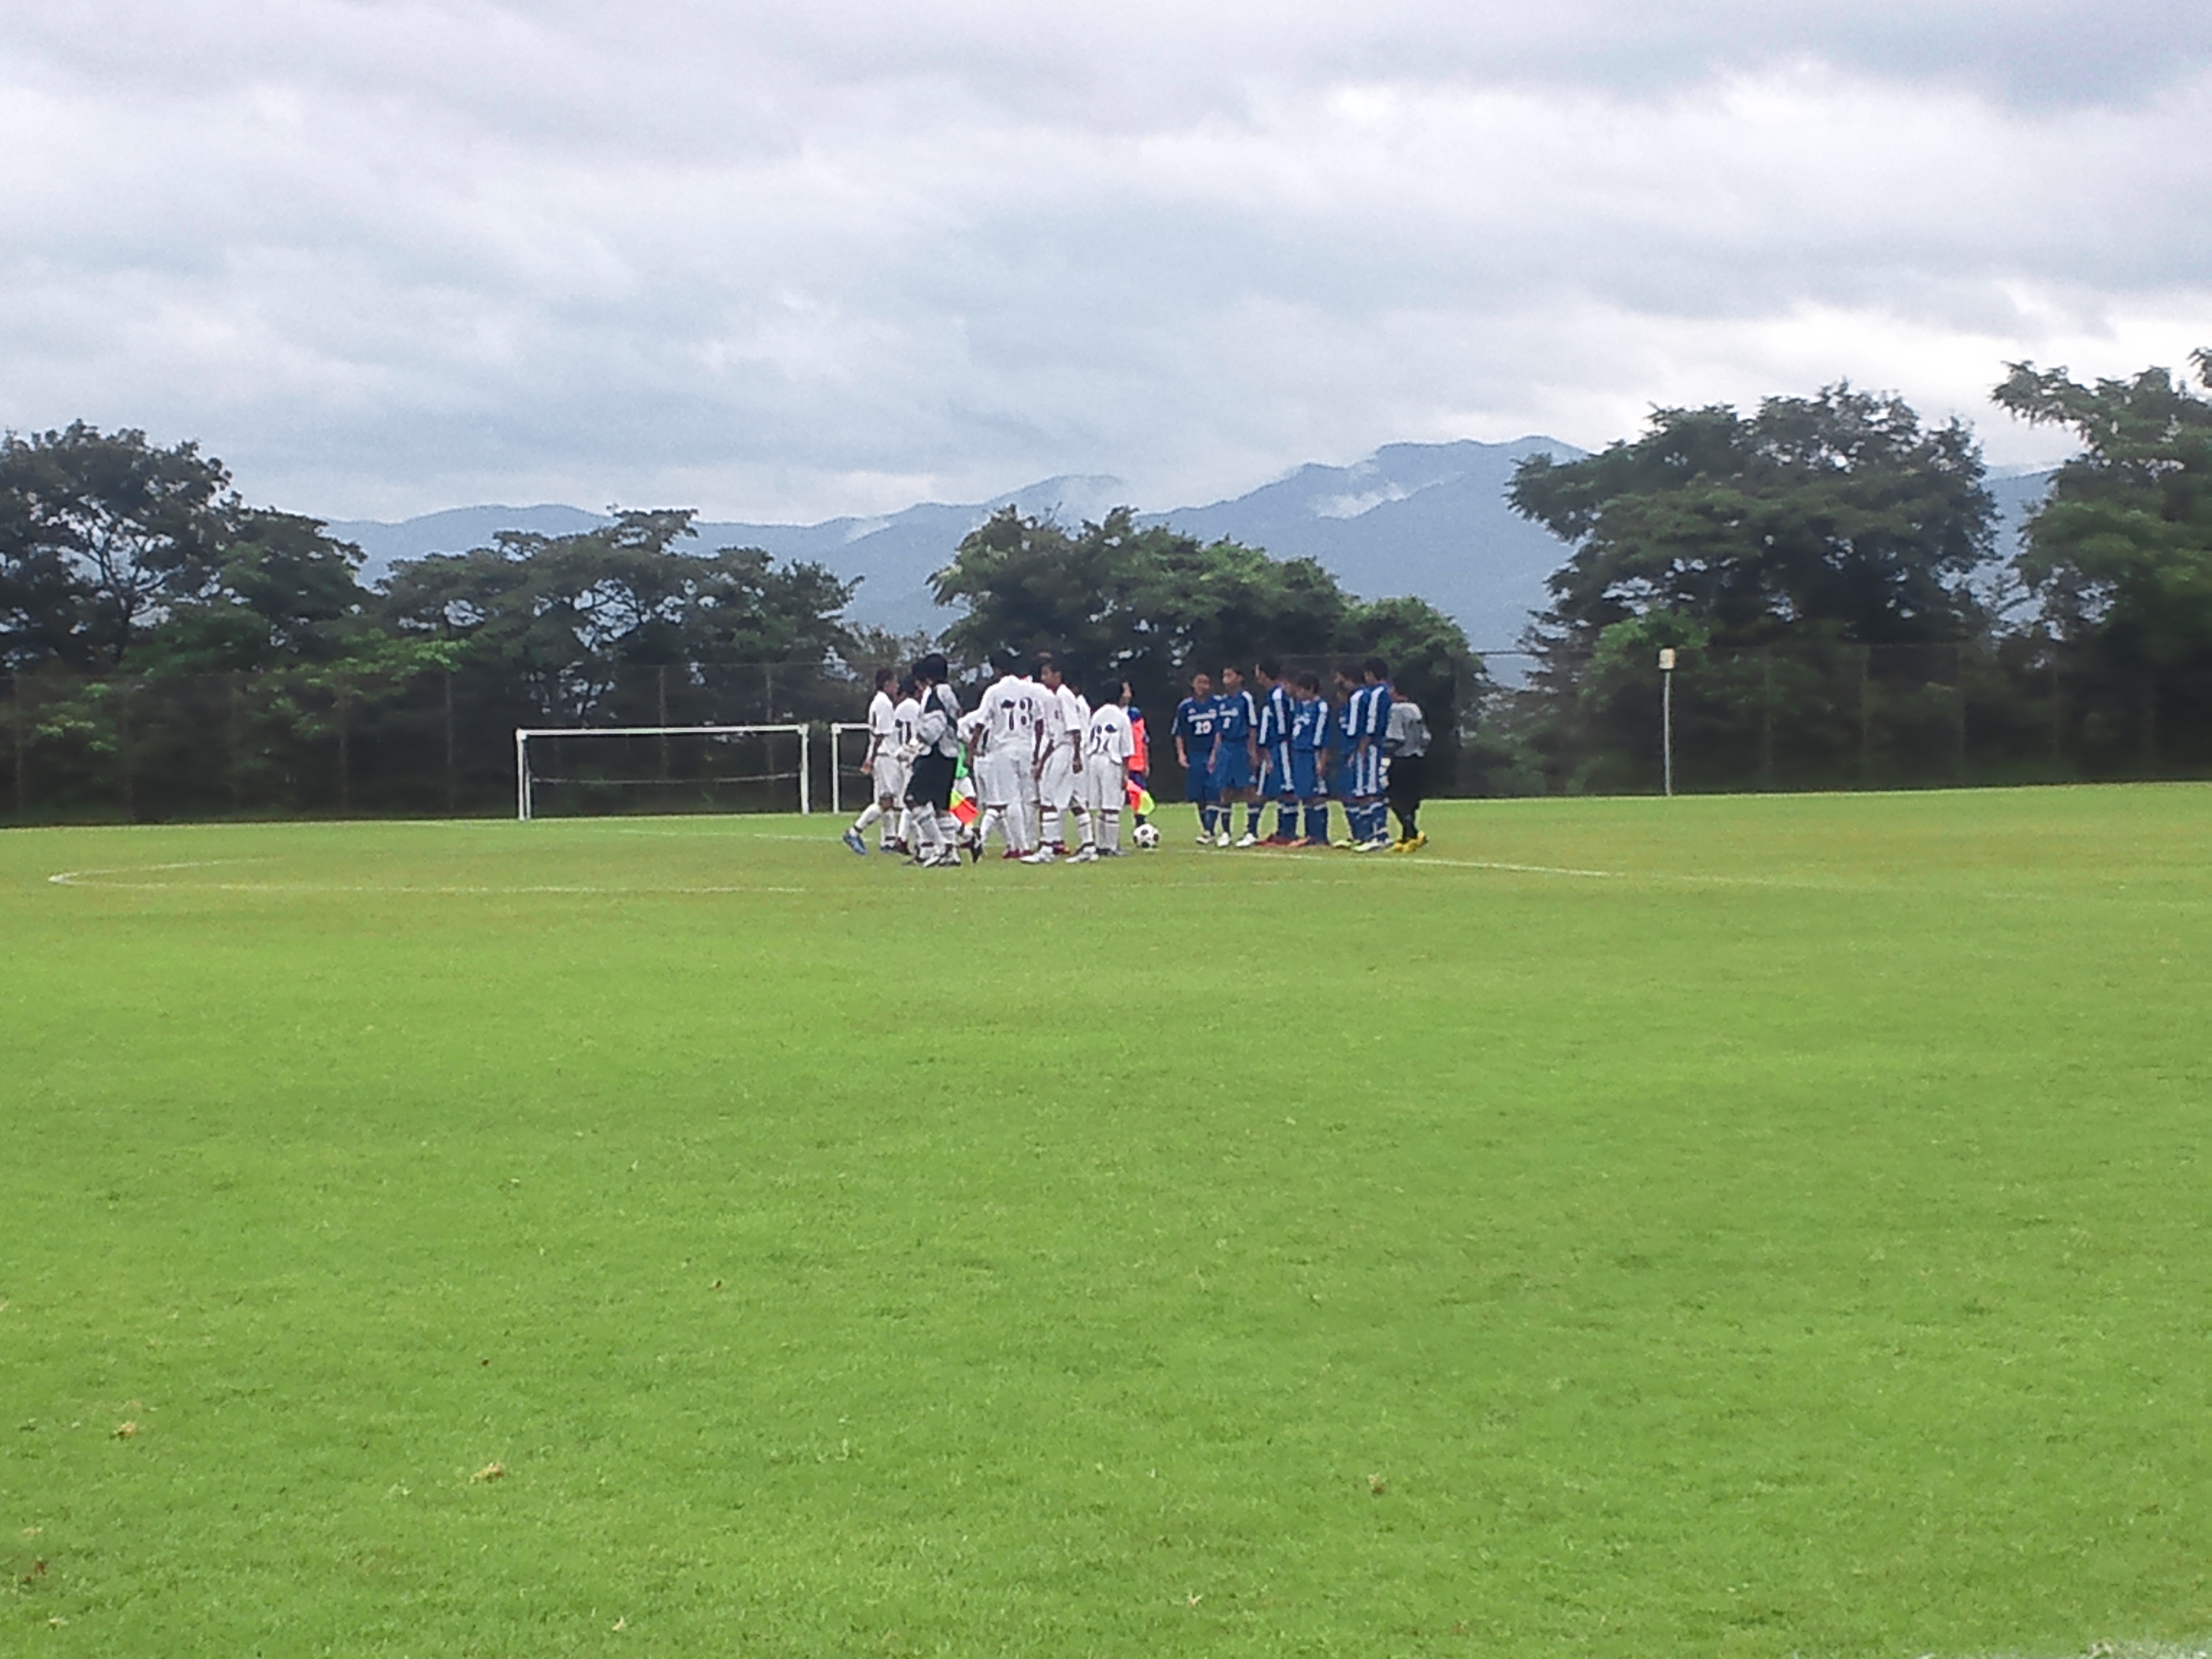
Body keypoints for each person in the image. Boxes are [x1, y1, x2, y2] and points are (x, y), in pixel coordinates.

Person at [901, 655, 966, 867]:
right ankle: (952, 853)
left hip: (936, 753)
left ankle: (940, 846)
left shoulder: (935, 694)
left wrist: (915, 744)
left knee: (912, 798)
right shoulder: (950, 693)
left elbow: (934, 725)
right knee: (941, 806)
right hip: (951, 754)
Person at [974, 662, 1043, 859]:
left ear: (997, 670)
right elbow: (1039, 723)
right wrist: (1037, 749)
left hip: (1003, 748)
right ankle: (1029, 841)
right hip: (1026, 745)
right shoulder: (1030, 690)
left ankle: (1020, 845)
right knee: (1029, 798)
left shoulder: (994, 691)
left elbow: (981, 723)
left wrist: (972, 750)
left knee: (1011, 799)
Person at [1026, 654, 1090, 864]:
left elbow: (1074, 729)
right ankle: (1088, 845)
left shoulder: (1064, 696)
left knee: (1050, 798)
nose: (1044, 679)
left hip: (1067, 750)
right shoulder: (1053, 698)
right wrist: (1042, 761)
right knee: (1071, 799)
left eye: (1047, 674)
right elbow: (1053, 734)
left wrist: (1077, 757)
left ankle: (1047, 847)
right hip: (1058, 749)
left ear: (1058, 675)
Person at [843, 667, 902, 855]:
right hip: (885, 756)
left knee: (885, 800)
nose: (897, 686)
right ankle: (855, 831)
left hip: (884, 756)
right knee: (887, 801)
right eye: (895, 683)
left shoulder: (880, 702)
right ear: (887, 684)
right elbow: (880, 735)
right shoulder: (884, 704)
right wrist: (872, 758)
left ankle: (888, 841)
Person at [1076, 679, 1136, 860]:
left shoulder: (1097, 714)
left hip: (1094, 759)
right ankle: (1111, 845)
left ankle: (1101, 844)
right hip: (1111, 760)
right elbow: (1126, 749)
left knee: (1100, 805)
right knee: (1112, 806)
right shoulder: (1121, 717)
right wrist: (1125, 774)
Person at [1345, 656, 1394, 852]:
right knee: (1372, 790)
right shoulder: (1390, 692)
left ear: (1371, 674)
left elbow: (1371, 725)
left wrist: (1361, 749)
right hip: (1386, 746)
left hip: (1375, 746)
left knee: (1372, 790)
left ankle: (1379, 835)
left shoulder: (1376, 695)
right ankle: (1375, 834)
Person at [1211, 665, 1260, 847]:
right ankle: (1225, 832)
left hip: (1241, 746)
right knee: (1225, 790)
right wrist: (1215, 755)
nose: (1225, 679)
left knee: (1248, 789)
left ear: (1239, 678)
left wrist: (1252, 751)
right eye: (1224, 675)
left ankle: (1252, 831)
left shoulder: (1246, 699)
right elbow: (1218, 731)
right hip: (1225, 748)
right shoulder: (1222, 702)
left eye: (1229, 675)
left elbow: (1252, 727)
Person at [1170, 672, 1219, 844]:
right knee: (1198, 794)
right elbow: (1179, 733)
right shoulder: (1185, 707)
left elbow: (1219, 732)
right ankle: (1206, 828)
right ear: (1193, 684)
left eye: (1206, 683)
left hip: (1211, 751)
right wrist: (1181, 754)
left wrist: (1215, 753)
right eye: (1199, 682)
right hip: (1195, 753)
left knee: (1213, 791)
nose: (1202, 687)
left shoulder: (1217, 704)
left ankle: (1211, 828)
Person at [1383, 679, 1430, 852]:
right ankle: (1408, 835)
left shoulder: (1397, 710)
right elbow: (1425, 737)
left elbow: (1396, 737)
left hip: (1402, 758)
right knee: (1411, 798)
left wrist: (1385, 752)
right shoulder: (1415, 708)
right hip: (1417, 757)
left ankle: (1411, 832)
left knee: (1394, 797)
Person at [1253, 659, 1297, 844]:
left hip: (1282, 746)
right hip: (1275, 747)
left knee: (1287, 787)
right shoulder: (1273, 695)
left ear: (1263, 674)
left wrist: (1273, 753)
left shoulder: (1278, 696)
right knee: (1279, 789)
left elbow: (1282, 726)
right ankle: (1282, 830)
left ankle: (1288, 831)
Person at [1288, 672, 1334, 847]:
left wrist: (1322, 759)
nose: (1298, 694)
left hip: (1312, 753)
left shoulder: (1320, 706)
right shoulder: (1300, 706)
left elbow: (1323, 734)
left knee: (1317, 794)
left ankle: (1320, 835)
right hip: (1299, 753)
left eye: (1301, 690)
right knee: (1304, 794)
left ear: (1310, 689)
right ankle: (1309, 834)